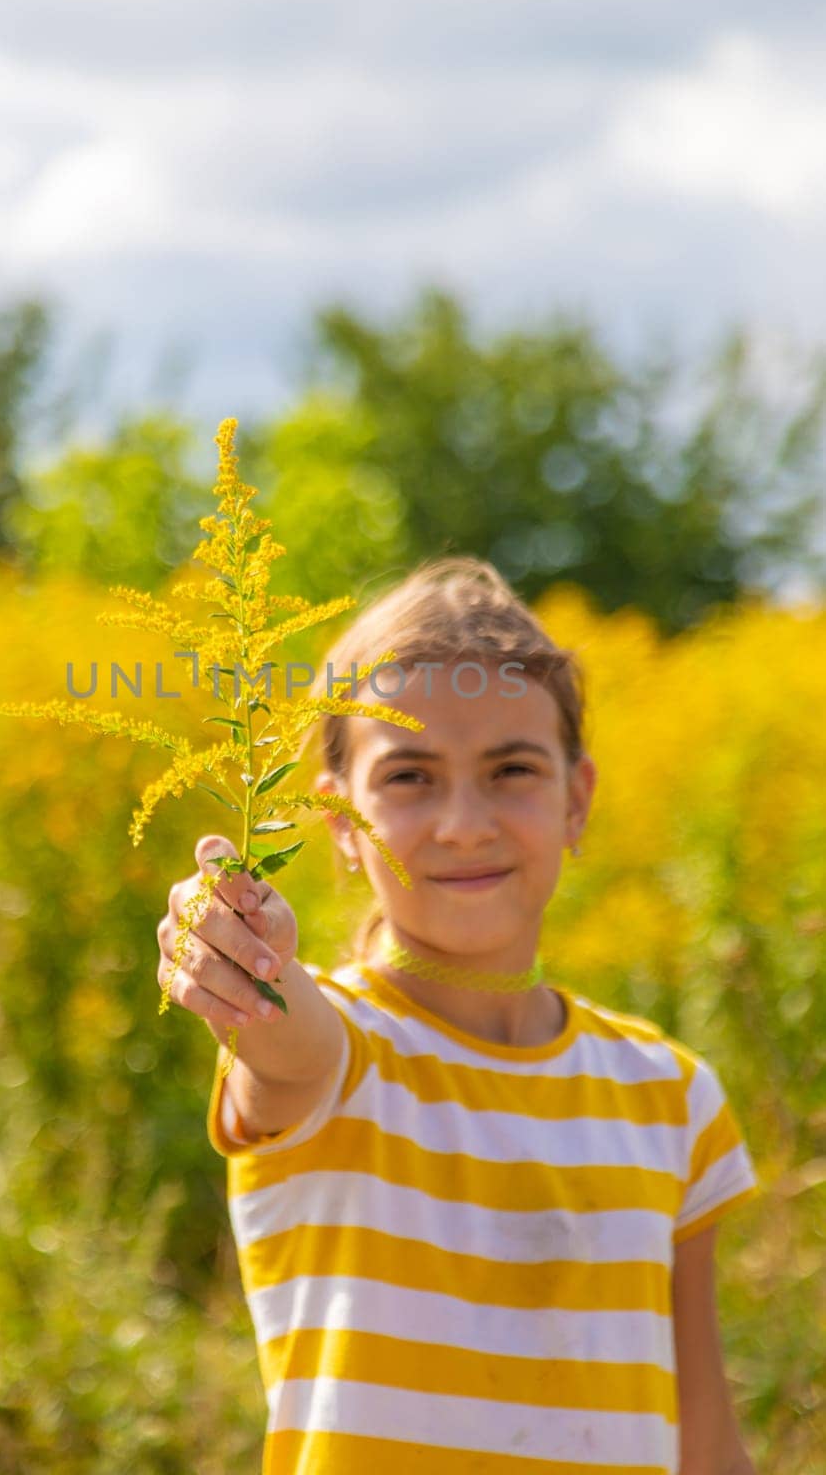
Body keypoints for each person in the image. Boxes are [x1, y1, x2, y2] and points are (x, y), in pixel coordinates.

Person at [156, 556, 761, 1474]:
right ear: (342, 826)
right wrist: (245, 957)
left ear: (576, 799)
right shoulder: (342, 1053)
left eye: (510, 769)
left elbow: (705, 1433)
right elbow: (282, 1041)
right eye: (409, 778)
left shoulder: (671, 1098)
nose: (463, 824)